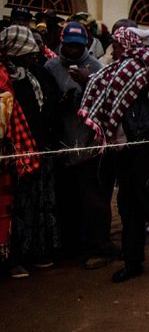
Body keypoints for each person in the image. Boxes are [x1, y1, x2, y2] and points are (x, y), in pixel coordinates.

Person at [79, 27, 149, 284]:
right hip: (125, 146)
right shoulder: (121, 67)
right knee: (128, 204)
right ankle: (133, 261)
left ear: (128, 44)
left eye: (117, 45)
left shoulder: (140, 65)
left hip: (145, 143)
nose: (114, 50)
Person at [44, 22, 116, 270]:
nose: (73, 50)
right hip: (63, 144)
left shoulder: (96, 68)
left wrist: (88, 82)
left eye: (78, 46)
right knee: (67, 199)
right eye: (69, 45)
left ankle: (101, 248)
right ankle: (71, 245)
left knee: (94, 200)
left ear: (86, 44)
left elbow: (107, 105)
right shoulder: (51, 66)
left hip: (89, 146)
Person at [0, 26, 62, 273]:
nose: (32, 55)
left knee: (35, 203)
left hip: (37, 148)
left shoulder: (35, 73)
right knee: (12, 207)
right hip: (12, 151)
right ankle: (12, 259)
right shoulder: (4, 77)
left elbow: (47, 105)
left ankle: (33, 251)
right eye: (26, 51)